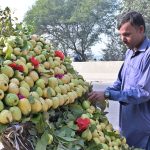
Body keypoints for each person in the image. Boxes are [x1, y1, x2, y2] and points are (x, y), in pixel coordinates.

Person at [88, 11, 150, 149]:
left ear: (141, 30)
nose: (122, 39)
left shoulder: (148, 55)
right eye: (120, 34)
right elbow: (119, 83)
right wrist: (100, 93)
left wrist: (108, 94)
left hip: (145, 135)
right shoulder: (129, 53)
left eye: (127, 34)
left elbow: (143, 93)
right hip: (128, 131)